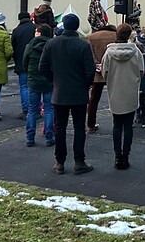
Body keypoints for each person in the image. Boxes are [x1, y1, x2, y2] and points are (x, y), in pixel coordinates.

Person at [40, 14, 96, 175]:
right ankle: (79, 161)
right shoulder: (82, 46)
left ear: (63, 25)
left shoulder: (51, 44)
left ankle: (60, 162)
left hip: (59, 92)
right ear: (77, 27)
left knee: (60, 128)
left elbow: (42, 67)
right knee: (79, 128)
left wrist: (54, 80)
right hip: (78, 93)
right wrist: (85, 85)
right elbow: (90, 71)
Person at [101, 23, 145, 170]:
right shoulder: (136, 52)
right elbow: (141, 71)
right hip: (130, 91)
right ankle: (125, 156)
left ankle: (117, 156)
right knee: (128, 126)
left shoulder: (109, 53)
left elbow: (104, 72)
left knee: (117, 125)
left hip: (115, 91)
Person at [23, 24, 55, 147]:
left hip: (34, 81)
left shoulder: (30, 46)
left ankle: (30, 138)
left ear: (40, 33)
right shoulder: (52, 46)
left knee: (32, 110)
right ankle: (49, 137)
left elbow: (25, 63)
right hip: (48, 81)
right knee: (49, 109)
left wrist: (30, 73)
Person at [87, 22, 117, 133]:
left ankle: (91, 124)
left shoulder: (92, 37)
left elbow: (89, 54)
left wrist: (96, 64)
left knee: (94, 99)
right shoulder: (115, 36)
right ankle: (118, 123)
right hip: (113, 71)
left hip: (97, 72)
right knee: (116, 98)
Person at [11, 11, 36, 120]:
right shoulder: (35, 28)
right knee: (34, 87)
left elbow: (13, 47)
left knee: (24, 87)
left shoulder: (16, 31)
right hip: (34, 62)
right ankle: (35, 109)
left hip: (21, 62)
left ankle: (26, 110)